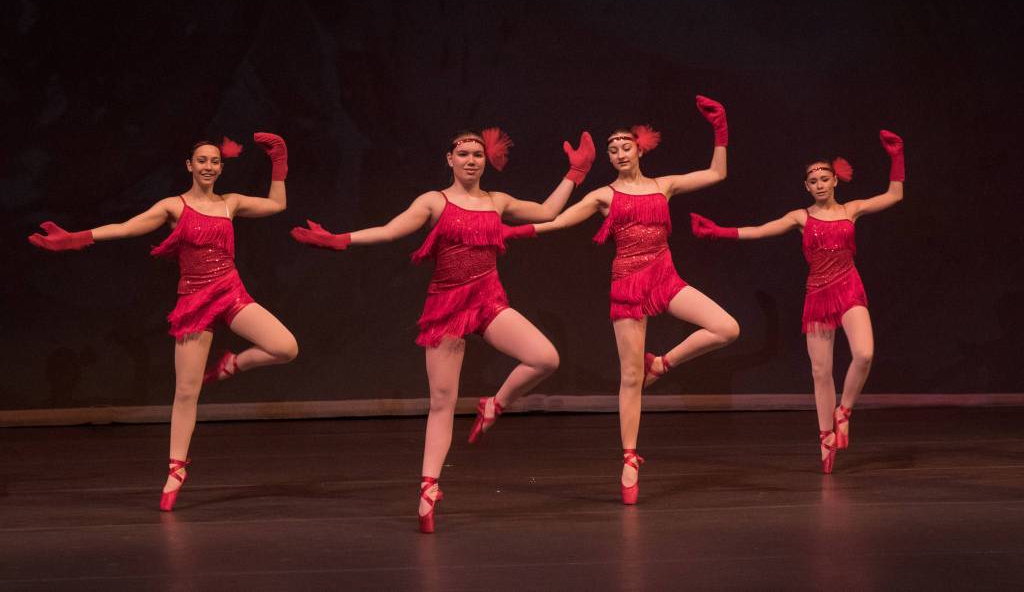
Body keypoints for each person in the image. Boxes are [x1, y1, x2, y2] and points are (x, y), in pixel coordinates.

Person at [290, 127, 595, 532]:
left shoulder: (497, 201)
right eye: (463, 153)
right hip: (447, 306)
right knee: (442, 402)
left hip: (488, 301)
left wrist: (574, 173)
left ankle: (495, 404)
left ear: (486, 161)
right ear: (449, 159)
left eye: (477, 154)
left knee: (544, 357)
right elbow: (391, 229)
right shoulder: (434, 201)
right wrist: (340, 240)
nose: (471, 160)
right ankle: (429, 489)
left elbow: (546, 212)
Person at [28, 133, 298, 510]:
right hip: (194, 302)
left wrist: (279, 162)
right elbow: (126, 227)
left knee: (286, 347)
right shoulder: (174, 206)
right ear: (190, 166)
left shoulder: (230, 203)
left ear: (221, 168)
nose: (208, 166)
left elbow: (277, 203)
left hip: (231, 292)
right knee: (186, 392)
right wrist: (77, 238)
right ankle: (176, 470)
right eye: (202, 160)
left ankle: (232, 364)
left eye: (215, 161)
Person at [504, 96, 739, 504]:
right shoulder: (603, 196)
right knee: (630, 377)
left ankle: (662, 363)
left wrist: (720, 129)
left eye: (624, 146)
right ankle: (629, 458)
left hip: (665, 276)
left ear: (639, 147)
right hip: (628, 282)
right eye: (611, 150)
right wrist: (512, 233)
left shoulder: (664, 185)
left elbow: (717, 173)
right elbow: (556, 221)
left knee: (726, 328)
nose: (618, 153)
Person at [690, 130, 905, 473]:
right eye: (812, 181)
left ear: (835, 180)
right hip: (818, 293)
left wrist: (896, 157)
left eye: (824, 178)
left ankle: (844, 412)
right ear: (806, 187)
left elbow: (895, 195)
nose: (819, 184)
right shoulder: (800, 218)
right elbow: (760, 230)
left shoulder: (852, 210)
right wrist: (720, 231)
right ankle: (824, 437)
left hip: (849, 286)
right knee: (821, 372)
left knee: (864, 353)